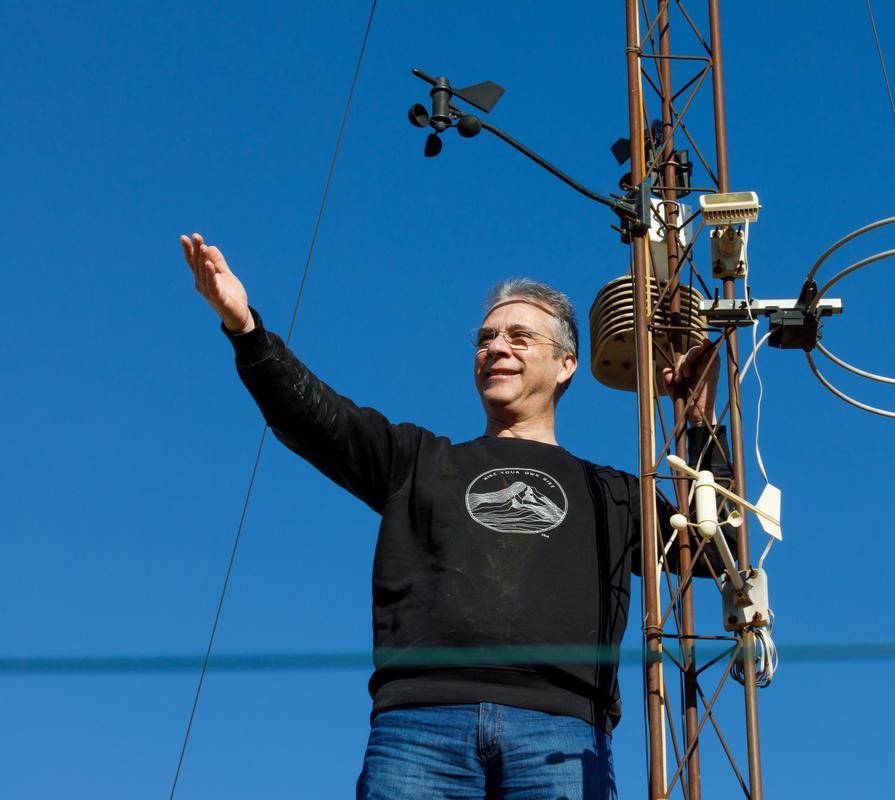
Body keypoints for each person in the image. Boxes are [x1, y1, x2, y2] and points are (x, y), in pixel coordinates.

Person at [179, 232, 728, 799]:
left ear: (567, 364)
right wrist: (246, 329)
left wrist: (704, 423)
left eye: (519, 336)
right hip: (419, 725)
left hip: (562, 732)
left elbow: (714, 547)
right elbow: (318, 420)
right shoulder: (417, 460)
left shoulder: (607, 492)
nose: (497, 347)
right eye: (486, 338)